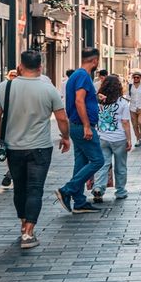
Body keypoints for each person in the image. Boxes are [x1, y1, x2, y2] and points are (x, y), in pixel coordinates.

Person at [0, 50, 70, 249]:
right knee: (35, 189)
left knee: (20, 187)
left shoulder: (5, 87)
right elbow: (61, 118)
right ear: (40, 67)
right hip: (40, 147)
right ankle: (29, 232)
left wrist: (0, 139)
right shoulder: (48, 89)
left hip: (13, 147)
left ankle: (23, 224)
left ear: (20, 66)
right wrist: (65, 137)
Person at [55, 47, 104, 214]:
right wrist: (86, 126)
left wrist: (96, 97)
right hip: (82, 126)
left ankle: (80, 201)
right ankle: (67, 190)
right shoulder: (83, 75)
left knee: (81, 163)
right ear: (95, 61)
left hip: (75, 125)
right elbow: (79, 101)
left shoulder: (76, 75)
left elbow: (82, 98)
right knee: (98, 160)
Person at [93, 75, 131, 202]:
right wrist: (129, 139)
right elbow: (125, 122)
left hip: (102, 137)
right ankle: (120, 191)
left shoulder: (98, 102)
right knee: (120, 166)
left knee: (103, 164)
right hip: (119, 138)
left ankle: (98, 188)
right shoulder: (123, 102)